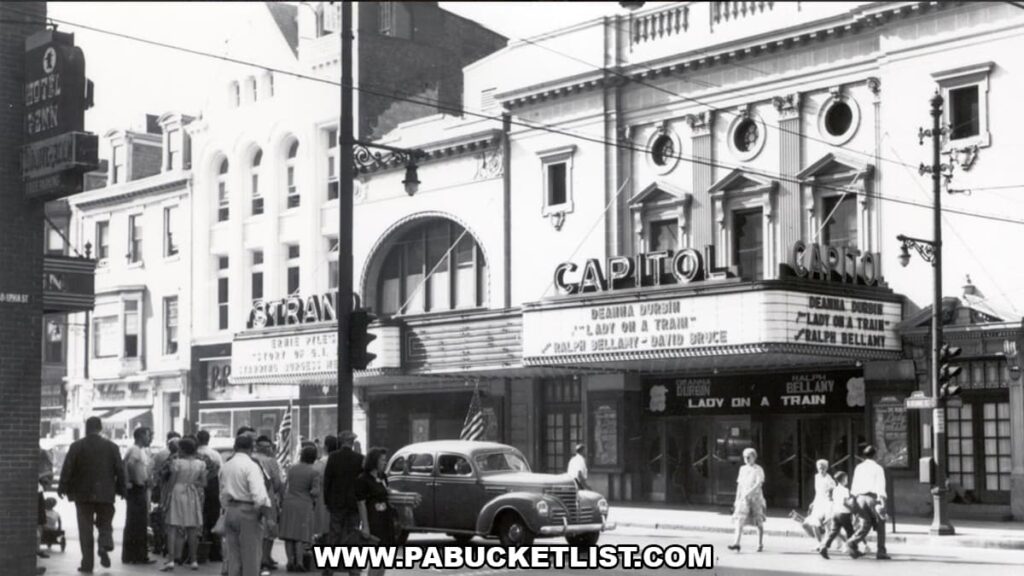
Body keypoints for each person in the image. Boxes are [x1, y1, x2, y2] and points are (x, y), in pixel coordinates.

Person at [58, 416, 126, 574]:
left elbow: (67, 468)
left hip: (82, 494)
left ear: (86, 428)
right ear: (100, 428)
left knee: (85, 529)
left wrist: (62, 487)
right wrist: (122, 489)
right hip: (105, 493)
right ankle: (103, 544)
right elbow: (120, 470)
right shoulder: (112, 447)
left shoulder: (76, 446)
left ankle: (87, 564)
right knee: (105, 523)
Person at [220, 434, 273, 576]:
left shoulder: (226, 465)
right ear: (251, 449)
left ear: (234, 447)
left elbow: (223, 493)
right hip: (248, 512)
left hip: (231, 510)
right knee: (251, 557)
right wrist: (268, 516)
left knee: (233, 556)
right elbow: (260, 495)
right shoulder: (251, 466)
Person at [161, 437, 207, 572]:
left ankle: (171, 560)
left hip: (177, 492)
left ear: (182, 449)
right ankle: (194, 560)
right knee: (192, 527)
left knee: (172, 526)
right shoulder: (201, 464)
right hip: (192, 493)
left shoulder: (176, 463)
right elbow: (204, 483)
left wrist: (165, 498)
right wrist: (191, 483)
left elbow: (172, 482)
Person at [322, 431, 364, 576]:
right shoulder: (359, 458)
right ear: (352, 443)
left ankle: (329, 568)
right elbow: (361, 481)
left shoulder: (333, 457)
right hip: (353, 503)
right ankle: (353, 568)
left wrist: (327, 500)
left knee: (334, 534)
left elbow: (327, 481)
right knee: (353, 534)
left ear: (341, 442)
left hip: (336, 502)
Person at [280, 445, 321, 572]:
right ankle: (299, 562)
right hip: (303, 504)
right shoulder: (314, 472)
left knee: (289, 535)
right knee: (299, 535)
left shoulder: (292, 469)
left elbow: (285, 485)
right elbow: (315, 491)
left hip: (289, 503)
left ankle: (289, 561)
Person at [847, 445, 891, 560]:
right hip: (873, 498)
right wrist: (882, 502)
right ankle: (881, 551)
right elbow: (880, 487)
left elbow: (854, 486)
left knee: (865, 524)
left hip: (859, 498)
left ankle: (852, 541)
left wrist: (854, 499)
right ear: (875, 455)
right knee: (880, 524)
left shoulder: (858, 467)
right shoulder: (878, 468)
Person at [356, 448, 392, 576]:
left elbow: (387, 493)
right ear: (374, 461)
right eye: (382, 460)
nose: (385, 462)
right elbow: (361, 503)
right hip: (374, 519)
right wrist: (365, 526)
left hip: (385, 518)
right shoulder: (363, 479)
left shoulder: (383, 477)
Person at [123, 426, 155, 565]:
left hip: (137, 488)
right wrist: (135, 480)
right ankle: (137, 555)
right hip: (137, 489)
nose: (150, 438)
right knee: (138, 522)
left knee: (136, 522)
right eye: (148, 435)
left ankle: (134, 555)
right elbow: (129, 465)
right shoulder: (136, 450)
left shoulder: (138, 450)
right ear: (141, 436)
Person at [254, 435, 284, 571]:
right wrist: (276, 492)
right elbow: (277, 481)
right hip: (268, 494)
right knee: (270, 526)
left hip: (252, 495)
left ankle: (262, 556)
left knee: (259, 526)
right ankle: (265, 557)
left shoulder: (251, 458)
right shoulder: (271, 461)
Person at [728, 447, 766, 553]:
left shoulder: (758, 469)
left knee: (758, 521)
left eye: (748, 457)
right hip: (744, 499)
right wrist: (737, 499)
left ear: (754, 457)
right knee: (739, 520)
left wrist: (748, 492)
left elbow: (758, 483)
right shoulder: (742, 469)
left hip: (756, 498)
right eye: (745, 457)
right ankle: (737, 543)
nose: (746, 459)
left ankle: (760, 543)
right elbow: (739, 485)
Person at [197, 430, 225, 562]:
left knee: (198, 519)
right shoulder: (215, 454)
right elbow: (221, 472)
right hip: (212, 488)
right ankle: (214, 552)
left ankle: (198, 549)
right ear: (208, 439)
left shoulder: (194, 453)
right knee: (213, 518)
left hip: (196, 488)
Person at [819, 471, 859, 559]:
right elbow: (845, 502)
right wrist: (852, 509)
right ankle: (854, 551)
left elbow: (836, 502)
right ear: (843, 479)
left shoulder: (835, 489)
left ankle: (824, 547)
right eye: (846, 479)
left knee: (833, 532)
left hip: (836, 513)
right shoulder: (845, 490)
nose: (847, 480)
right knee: (850, 532)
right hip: (844, 514)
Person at [805, 459, 836, 547]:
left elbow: (833, 492)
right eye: (819, 468)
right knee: (814, 523)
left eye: (823, 468)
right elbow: (818, 492)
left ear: (827, 468)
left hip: (827, 503)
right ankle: (819, 543)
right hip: (818, 502)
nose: (821, 470)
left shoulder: (829, 479)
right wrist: (813, 502)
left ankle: (832, 542)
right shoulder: (816, 477)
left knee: (828, 525)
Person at [313, 436, 337, 543]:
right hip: (336, 497)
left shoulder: (321, 463)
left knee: (323, 527)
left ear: (326, 447)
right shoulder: (339, 461)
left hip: (323, 497)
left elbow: (314, 478)